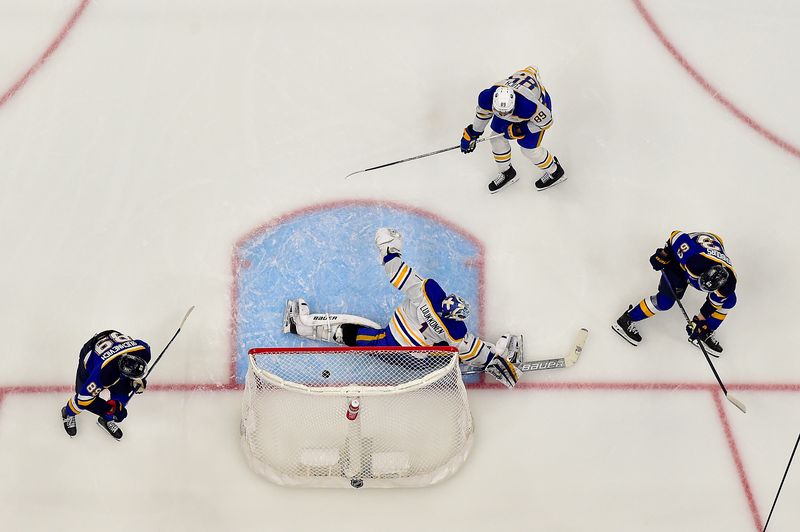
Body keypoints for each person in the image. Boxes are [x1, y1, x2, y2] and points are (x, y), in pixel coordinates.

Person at [283, 228, 522, 388]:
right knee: (459, 348)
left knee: (361, 335)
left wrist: (389, 249)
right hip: (409, 352)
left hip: (399, 346)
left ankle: (303, 328)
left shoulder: (427, 294)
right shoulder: (454, 332)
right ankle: (492, 357)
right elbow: (472, 348)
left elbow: (399, 274)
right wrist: (494, 362)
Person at [613, 231, 737, 355]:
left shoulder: (728, 285)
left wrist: (699, 322)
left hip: (709, 251)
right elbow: (676, 235)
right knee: (665, 301)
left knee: (730, 299)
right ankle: (626, 319)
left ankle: (704, 332)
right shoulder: (693, 261)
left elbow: (713, 303)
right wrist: (664, 254)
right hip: (685, 258)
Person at [460, 66, 565, 193]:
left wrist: (521, 129)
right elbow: (483, 114)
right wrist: (473, 133)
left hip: (538, 104)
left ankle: (555, 170)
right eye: (499, 112)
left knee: (528, 149)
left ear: (513, 105)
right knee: (496, 138)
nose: (504, 117)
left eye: (507, 113)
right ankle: (507, 173)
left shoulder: (529, 107)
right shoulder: (486, 97)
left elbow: (547, 122)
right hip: (518, 96)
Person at [61, 330, 151, 440]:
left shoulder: (144, 351)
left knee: (122, 396)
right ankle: (68, 412)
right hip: (91, 352)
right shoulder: (103, 375)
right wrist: (109, 409)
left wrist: (133, 382)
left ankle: (106, 419)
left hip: (112, 345)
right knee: (80, 398)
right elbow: (83, 399)